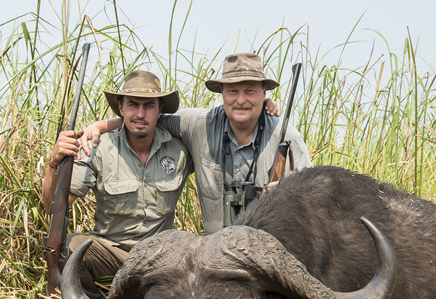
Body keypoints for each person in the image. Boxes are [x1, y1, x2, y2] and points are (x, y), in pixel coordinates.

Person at [82, 53, 312, 233]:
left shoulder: (287, 138)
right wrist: (100, 126)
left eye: (250, 91)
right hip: (216, 258)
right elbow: (146, 118)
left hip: (271, 255)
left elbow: (314, 209)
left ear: (264, 93)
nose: (240, 100)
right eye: (233, 91)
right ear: (221, 93)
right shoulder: (198, 124)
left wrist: (290, 198)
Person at [43, 70, 193, 299]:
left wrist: (266, 106)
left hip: (161, 259)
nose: (140, 114)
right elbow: (53, 207)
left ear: (160, 110)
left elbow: (220, 127)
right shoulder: (97, 147)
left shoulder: (180, 149)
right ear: (120, 109)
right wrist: (54, 164)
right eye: (132, 105)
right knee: (68, 247)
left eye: (149, 106)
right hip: (111, 256)